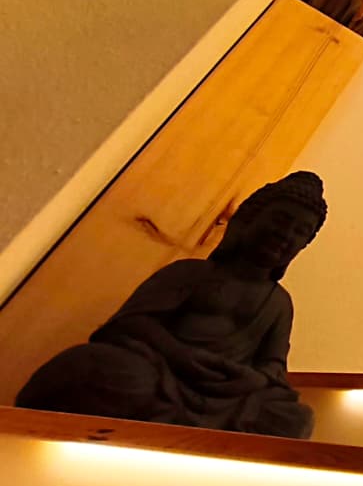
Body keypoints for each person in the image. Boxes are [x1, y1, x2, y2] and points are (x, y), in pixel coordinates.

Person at [15, 171, 326, 438]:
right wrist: (179, 355)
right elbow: (129, 323)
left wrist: (251, 378)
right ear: (248, 219)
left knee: (295, 419)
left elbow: (273, 364)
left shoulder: (279, 303)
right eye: (281, 220)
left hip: (227, 393)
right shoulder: (191, 273)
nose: (286, 235)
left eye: (301, 232)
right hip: (161, 369)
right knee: (102, 367)